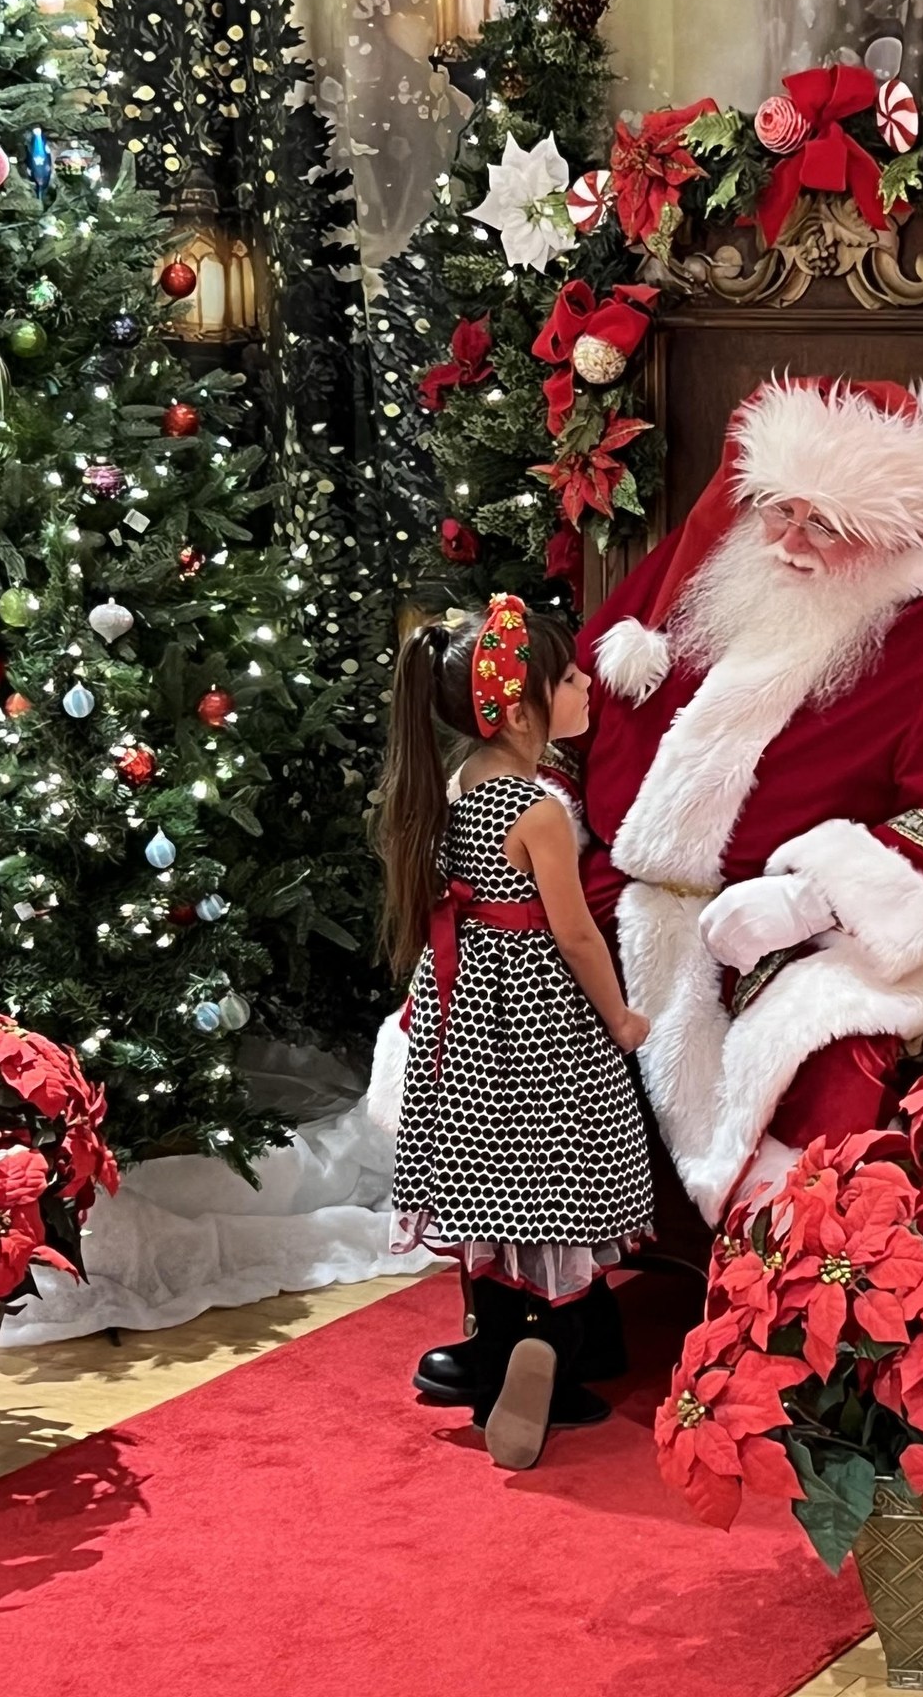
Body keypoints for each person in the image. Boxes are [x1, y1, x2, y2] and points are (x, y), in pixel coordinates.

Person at [565, 375, 923, 1224]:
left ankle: (786, 1274)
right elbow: (567, 715)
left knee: (820, 1046)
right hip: (612, 893)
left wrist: (807, 899)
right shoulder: (707, 565)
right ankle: (544, 1272)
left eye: (825, 525)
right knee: (497, 980)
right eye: (778, 510)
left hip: (790, 932)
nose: (789, 543)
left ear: (891, 531)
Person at [375, 593, 653, 1470]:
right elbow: (575, 934)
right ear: (521, 709)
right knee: (560, 1164)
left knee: (488, 1169)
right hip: (535, 1015)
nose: (586, 688)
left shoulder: (459, 781)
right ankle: (550, 1350)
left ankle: (501, 1343)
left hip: (464, 1013)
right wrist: (620, 1016)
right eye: (568, 679)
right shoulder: (537, 810)